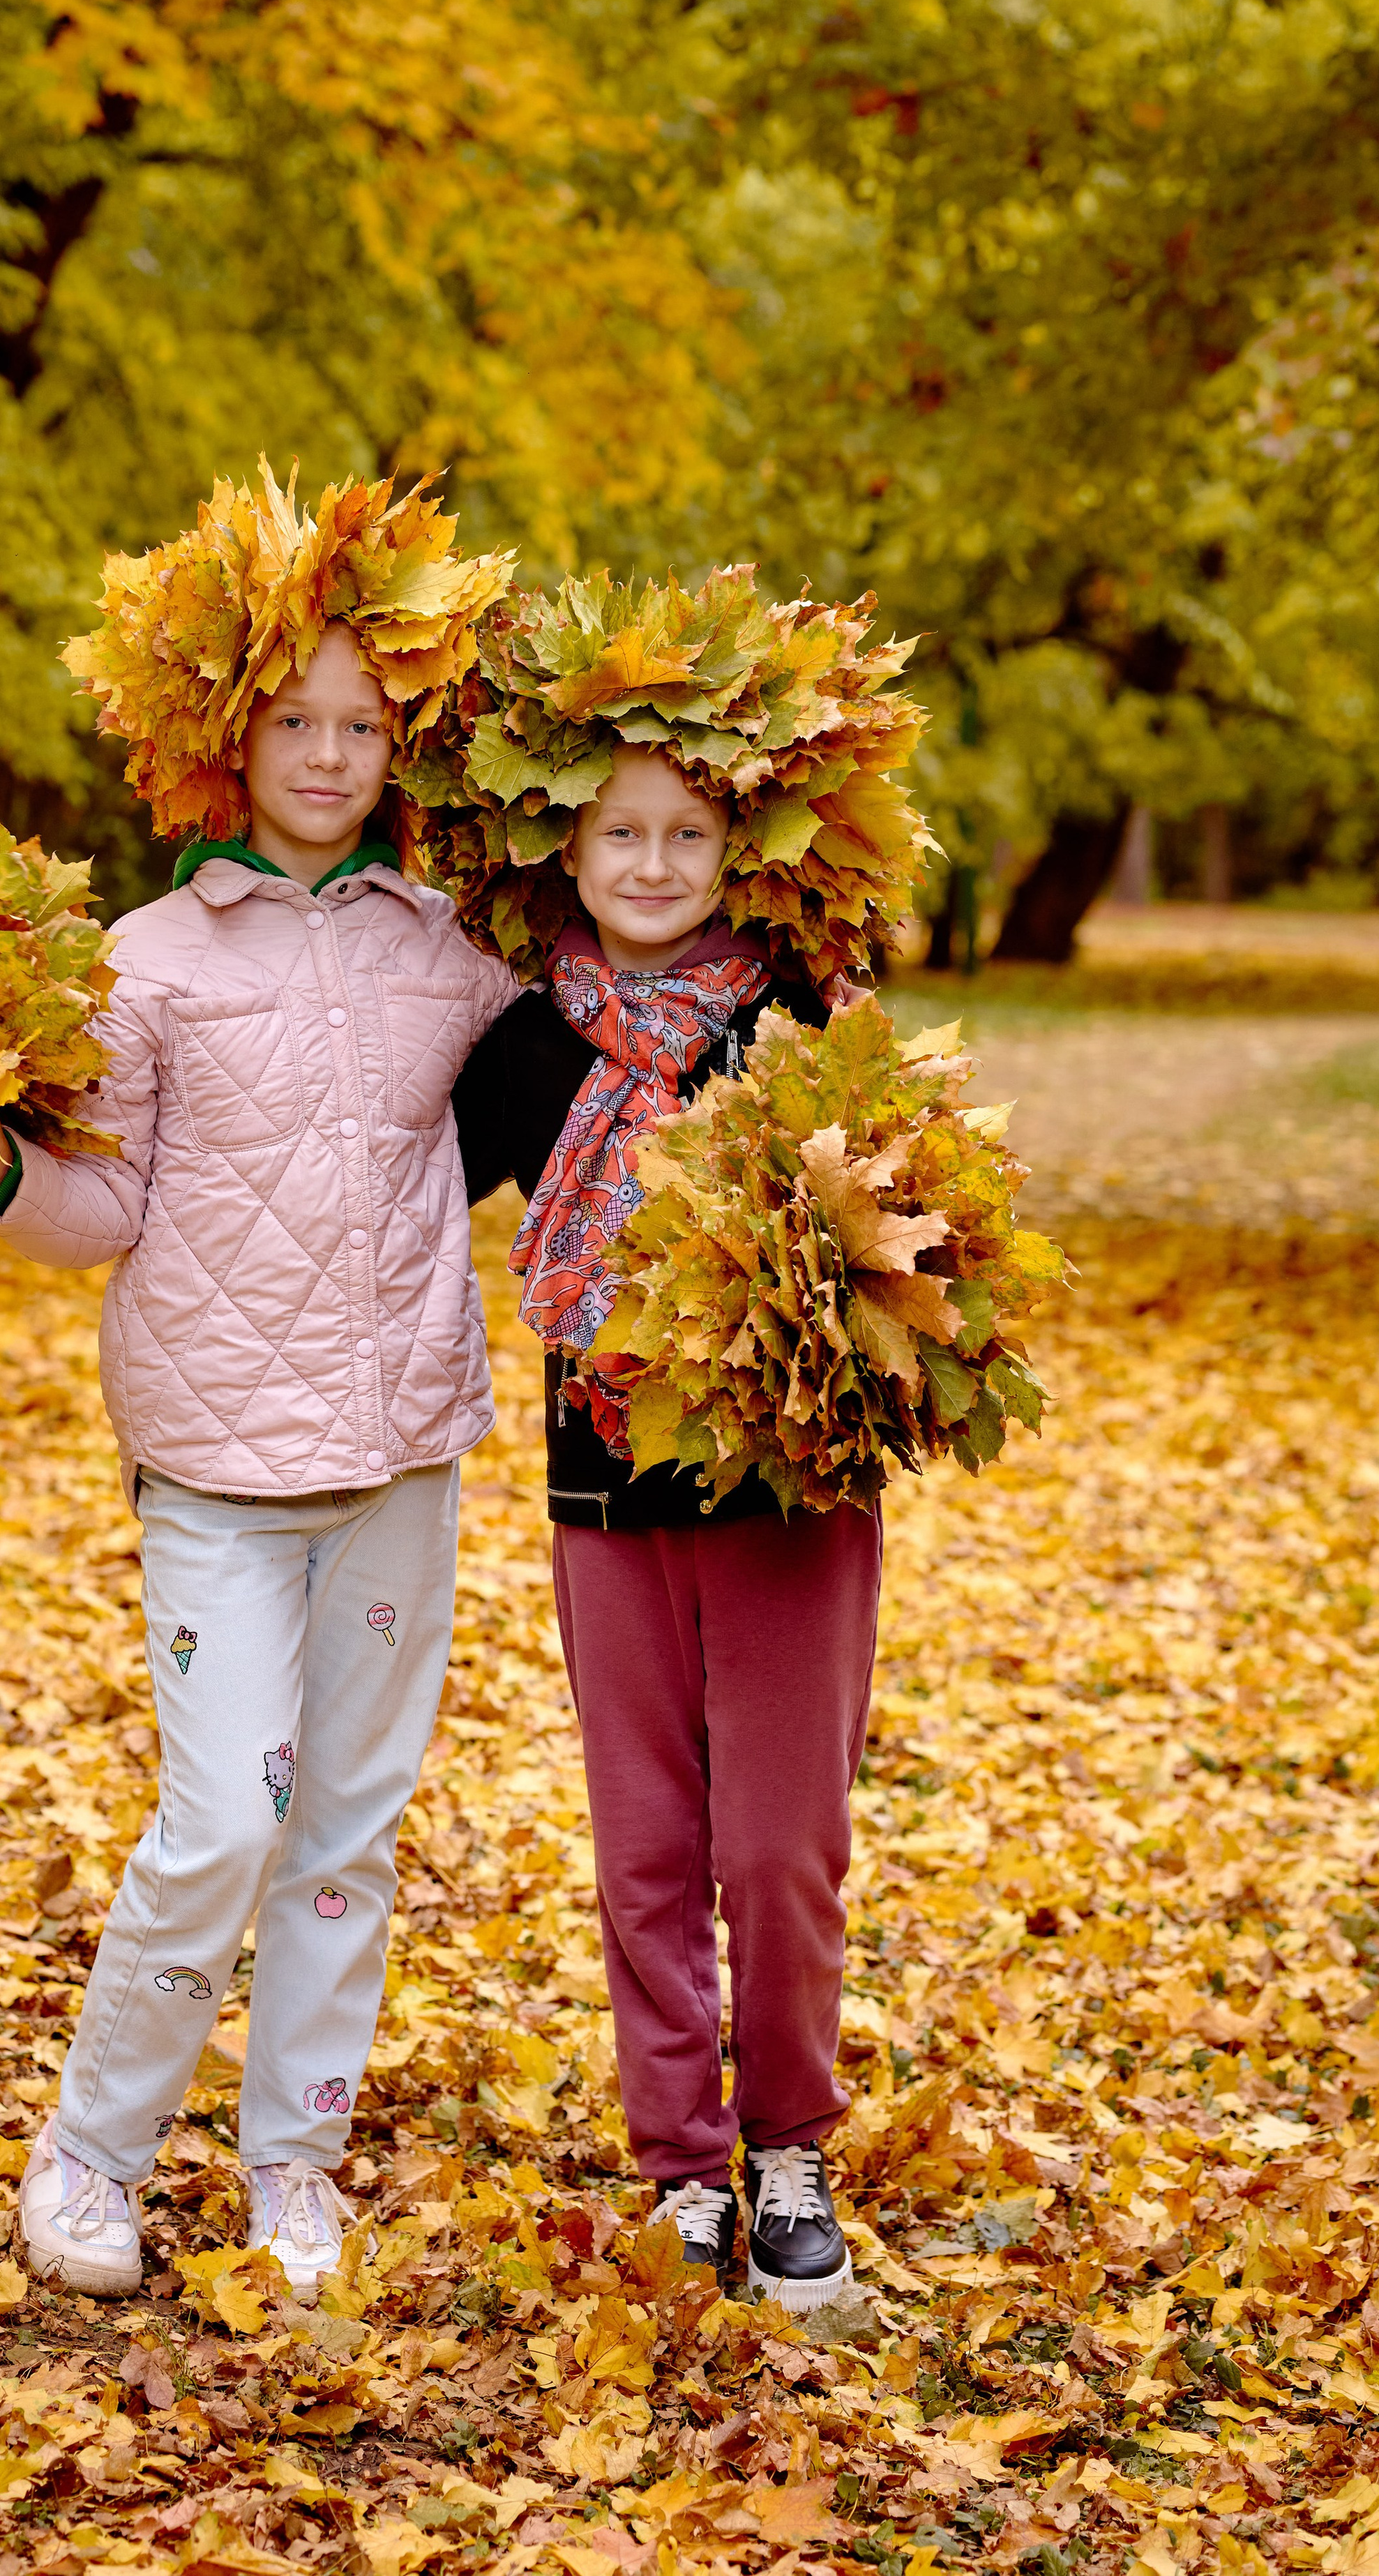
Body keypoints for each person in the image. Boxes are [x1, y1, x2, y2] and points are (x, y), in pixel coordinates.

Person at [0, 469, 515, 2300]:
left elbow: (560, 1091)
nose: (328, 756)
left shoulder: (453, 948)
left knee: (346, 1836)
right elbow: (104, 1204)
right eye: (295, 722)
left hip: (400, 1461)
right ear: (227, 735)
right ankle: (94, 2152)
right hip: (215, 1475)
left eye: (362, 726)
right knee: (224, 1825)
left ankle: (293, 2167)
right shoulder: (148, 960)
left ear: (400, 746)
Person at [451, 743, 885, 2309]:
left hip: (790, 1494)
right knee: (645, 1846)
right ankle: (684, 2168)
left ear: (733, 848)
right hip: (605, 1486)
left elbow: (908, 1226)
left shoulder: (803, 1022)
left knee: (778, 1849)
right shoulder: (523, 1045)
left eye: (684, 833)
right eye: (618, 834)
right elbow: (374, 1194)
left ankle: (790, 2147)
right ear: (565, 855)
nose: (649, 865)